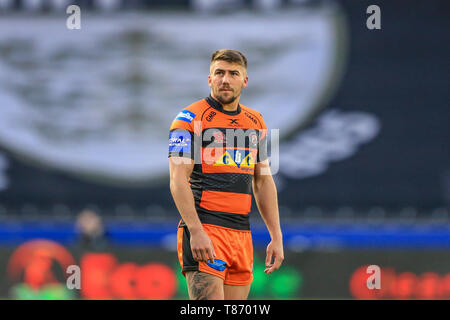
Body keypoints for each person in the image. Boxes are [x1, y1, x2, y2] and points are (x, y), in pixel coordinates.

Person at [168, 49, 283, 300]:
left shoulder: (256, 122)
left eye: (233, 73)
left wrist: (276, 235)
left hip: (241, 234)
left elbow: (263, 181)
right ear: (209, 79)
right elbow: (177, 180)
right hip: (207, 229)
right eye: (219, 73)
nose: (225, 80)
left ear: (245, 80)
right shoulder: (188, 119)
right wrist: (196, 230)